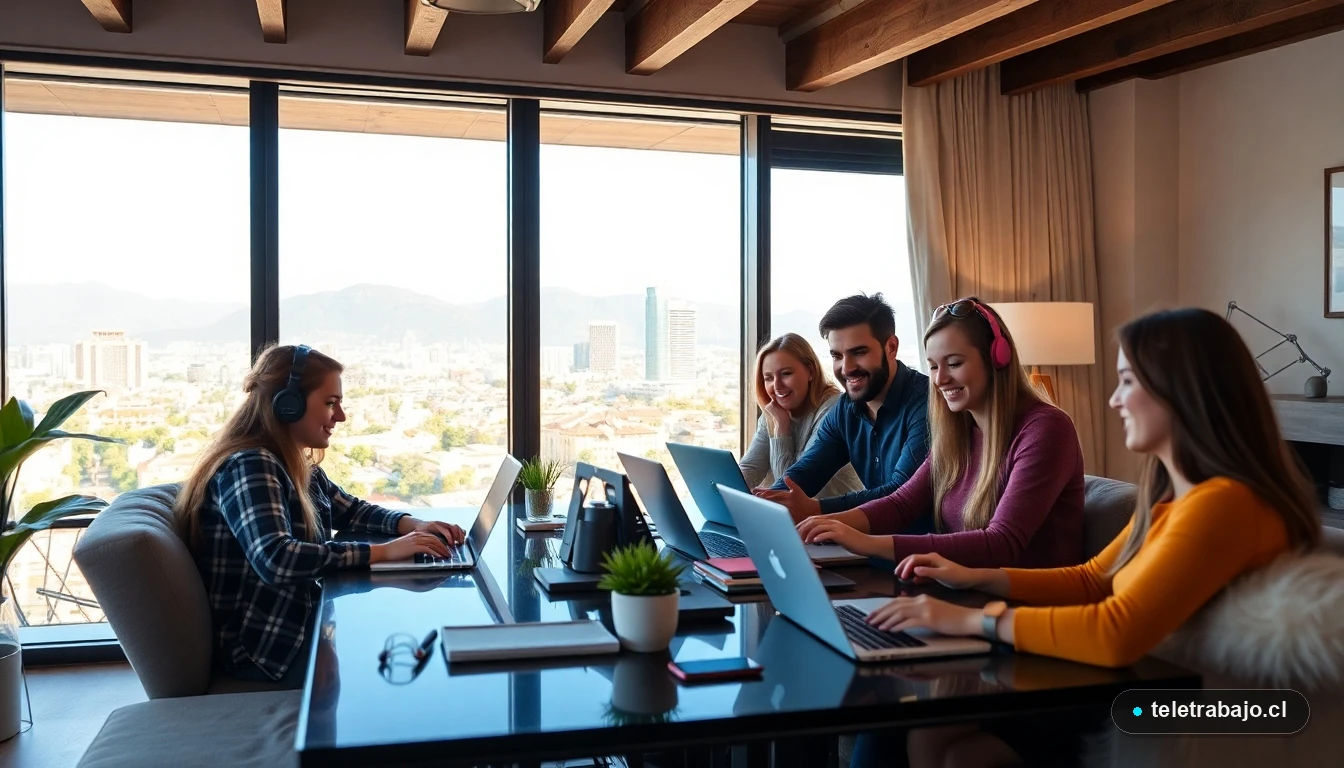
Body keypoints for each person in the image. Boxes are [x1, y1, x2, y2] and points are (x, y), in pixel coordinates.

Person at [854, 308, 1323, 767]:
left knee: (938, 739)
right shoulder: (1176, 501)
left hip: (1173, 707)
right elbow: (1093, 578)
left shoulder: (1224, 503)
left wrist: (975, 621)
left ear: (1185, 392)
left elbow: (1116, 632)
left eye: (1128, 381)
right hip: (1141, 685)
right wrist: (977, 576)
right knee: (933, 739)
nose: (1115, 400)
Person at [173, 344, 468, 688]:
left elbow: (350, 509)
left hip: (297, 620)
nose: (340, 416)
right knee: (408, 671)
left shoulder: (292, 459)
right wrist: (387, 551)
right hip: (267, 647)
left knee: (409, 639)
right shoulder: (252, 465)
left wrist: (413, 525)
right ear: (288, 404)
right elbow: (277, 558)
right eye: (330, 403)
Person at [796, 297, 1085, 569]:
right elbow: (902, 504)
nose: (940, 379)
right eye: (933, 366)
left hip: (1029, 608)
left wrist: (866, 543)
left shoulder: (1046, 429)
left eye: (954, 363)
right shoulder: (959, 429)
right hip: (963, 591)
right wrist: (824, 524)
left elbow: (1001, 543)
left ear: (997, 358)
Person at [756, 293, 931, 523]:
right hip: (868, 546)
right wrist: (765, 505)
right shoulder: (845, 410)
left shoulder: (926, 403)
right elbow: (805, 472)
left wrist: (817, 509)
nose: (846, 368)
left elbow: (899, 495)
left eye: (858, 352)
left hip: (923, 553)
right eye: (837, 356)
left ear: (891, 347)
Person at [739, 333, 863, 500]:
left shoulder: (834, 409)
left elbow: (793, 488)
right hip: (796, 520)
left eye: (786, 374)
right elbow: (751, 468)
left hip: (835, 520)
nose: (777, 386)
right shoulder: (774, 412)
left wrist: (782, 430)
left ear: (810, 371)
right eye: (768, 378)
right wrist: (724, 492)